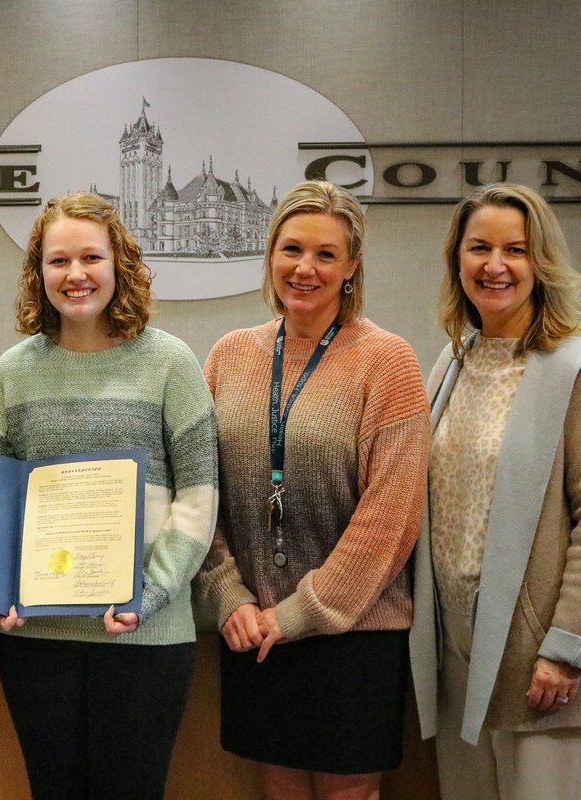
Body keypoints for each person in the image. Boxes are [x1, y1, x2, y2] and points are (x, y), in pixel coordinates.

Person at [0, 192, 218, 800]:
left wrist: (153, 592)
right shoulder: (13, 370)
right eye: (58, 261)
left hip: (143, 634)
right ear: (39, 273)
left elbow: (198, 495)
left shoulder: (171, 363)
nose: (76, 275)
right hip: (36, 639)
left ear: (120, 265)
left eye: (91, 257)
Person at [195, 180, 430, 799]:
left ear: (352, 267)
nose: (305, 268)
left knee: (349, 795)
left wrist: (302, 612)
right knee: (279, 793)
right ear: (270, 255)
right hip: (253, 626)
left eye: (326, 254)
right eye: (291, 249)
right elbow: (199, 489)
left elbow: (391, 517)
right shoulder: (228, 356)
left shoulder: (388, 362)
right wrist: (227, 592)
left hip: (352, 634)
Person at [409, 184, 581, 800]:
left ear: (543, 264)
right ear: (458, 260)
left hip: (541, 664)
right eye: (479, 247)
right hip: (458, 651)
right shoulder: (451, 363)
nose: (496, 265)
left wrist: (567, 648)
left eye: (516, 249)